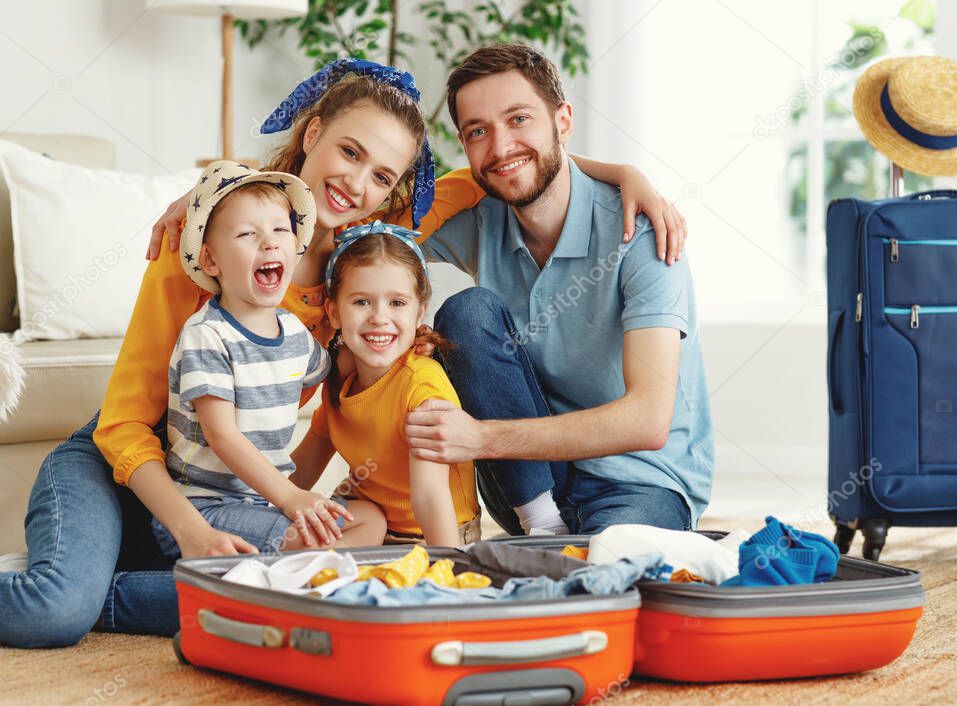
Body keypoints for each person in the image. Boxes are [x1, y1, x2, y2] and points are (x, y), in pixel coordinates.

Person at [0, 54, 682, 647]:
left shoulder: (362, 256)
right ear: (314, 131)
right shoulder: (205, 248)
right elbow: (123, 425)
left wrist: (623, 173)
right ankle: (87, 578)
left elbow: (501, 170)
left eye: (383, 176)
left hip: (227, 491)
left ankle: (116, 581)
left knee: (329, 576)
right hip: (127, 464)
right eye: (351, 153)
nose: (358, 185)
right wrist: (189, 525)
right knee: (56, 613)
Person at [403, 44, 715, 536]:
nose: (501, 148)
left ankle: (551, 550)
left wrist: (479, 438)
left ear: (563, 121)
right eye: (478, 132)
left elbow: (648, 421)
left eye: (519, 119)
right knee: (468, 312)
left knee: (603, 578)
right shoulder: (479, 220)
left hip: (639, 482)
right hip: (529, 488)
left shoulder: (643, 231)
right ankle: (542, 526)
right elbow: (367, 241)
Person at [150, 162, 387, 559]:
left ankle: (289, 571)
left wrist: (396, 341)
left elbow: (339, 369)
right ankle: (297, 570)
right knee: (314, 536)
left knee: (370, 519)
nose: (271, 243)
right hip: (208, 508)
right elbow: (222, 436)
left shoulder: (293, 332)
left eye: (281, 230)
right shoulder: (206, 335)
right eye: (247, 234)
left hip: (265, 504)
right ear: (211, 262)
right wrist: (293, 497)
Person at [298, 222, 479, 547]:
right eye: (361, 302)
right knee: (288, 529)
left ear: (419, 312)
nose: (379, 317)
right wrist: (267, 510)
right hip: (368, 522)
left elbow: (429, 497)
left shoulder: (421, 384)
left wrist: (446, 571)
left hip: (432, 539)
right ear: (334, 312)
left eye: (397, 303)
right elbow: (302, 472)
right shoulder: (340, 377)